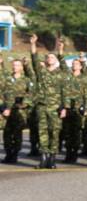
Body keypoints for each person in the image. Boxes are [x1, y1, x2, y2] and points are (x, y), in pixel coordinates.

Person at [29, 35, 67, 169]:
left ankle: (52, 158)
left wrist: (64, 108)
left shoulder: (61, 74)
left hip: (55, 107)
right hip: (42, 106)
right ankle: (44, 158)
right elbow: (34, 59)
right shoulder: (42, 72)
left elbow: (65, 92)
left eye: (52, 57)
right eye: (48, 57)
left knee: (54, 132)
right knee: (43, 132)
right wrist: (33, 44)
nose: (49, 59)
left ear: (56, 60)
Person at [1, 56, 33, 164]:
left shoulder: (26, 80)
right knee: (7, 134)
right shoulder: (7, 79)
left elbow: (31, 94)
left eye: (18, 65)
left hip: (19, 111)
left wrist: (23, 104)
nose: (15, 67)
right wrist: (3, 107)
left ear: (21, 68)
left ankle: (14, 154)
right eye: (14, 65)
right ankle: (8, 153)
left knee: (17, 133)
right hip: (6, 110)